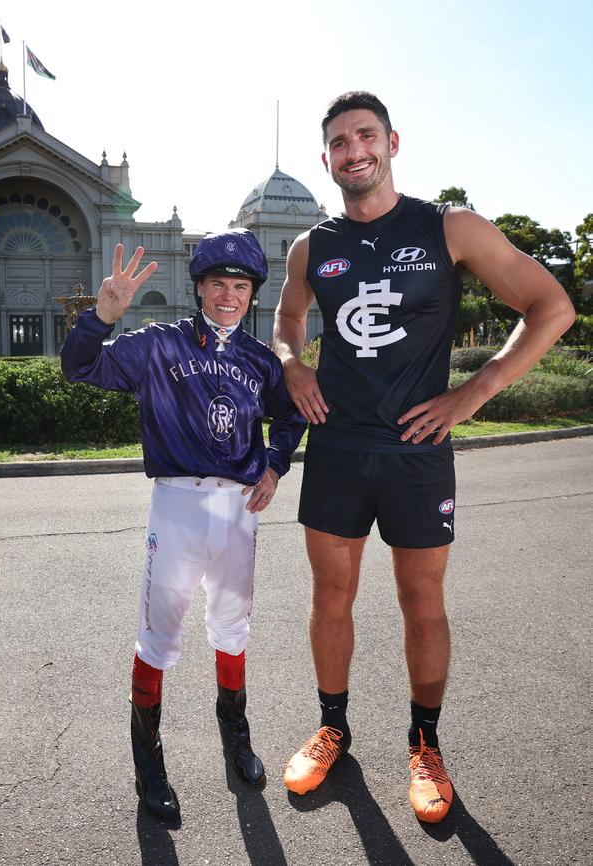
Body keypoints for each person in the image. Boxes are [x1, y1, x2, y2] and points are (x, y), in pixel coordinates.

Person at [272, 91, 575, 823]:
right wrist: (292, 362)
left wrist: (476, 393)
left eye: (365, 136)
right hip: (339, 448)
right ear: (327, 159)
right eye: (340, 142)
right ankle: (332, 728)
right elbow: (286, 317)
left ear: (393, 142)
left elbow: (552, 305)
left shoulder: (450, 228)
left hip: (417, 454)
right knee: (330, 599)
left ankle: (425, 745)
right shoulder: (311, 246)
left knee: (421, 603)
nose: (354, 151)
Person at [61, 229, 305, 820]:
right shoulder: (158, 345)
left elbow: (292, 414)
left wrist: (274, 467)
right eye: (217, 284)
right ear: (198, 289)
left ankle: (235, 738)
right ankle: (150, 766)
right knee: (159, 635)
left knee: (232, 627)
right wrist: (101, 315)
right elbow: (79, 367)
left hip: (238, 511)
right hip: (175, 506)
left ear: (252, 295)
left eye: (240, 286)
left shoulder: (260, 361)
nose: (229, 295)